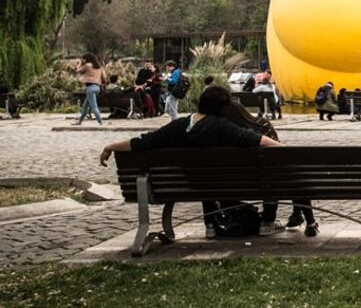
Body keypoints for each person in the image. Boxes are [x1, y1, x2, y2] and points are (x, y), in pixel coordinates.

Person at [98, 85, 284, 239]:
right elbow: (256, 140)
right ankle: (267, 221)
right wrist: (283, 148)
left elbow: (143, 142)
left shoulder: (179, 126)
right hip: (230, 185)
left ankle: (210, 224)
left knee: (205, 175)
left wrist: (112, 146)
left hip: (194, 185)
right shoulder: (222, 126)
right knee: (218, 175)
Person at [218, 99, 319, 236]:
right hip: (269, 182)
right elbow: (281, 157)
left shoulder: (221, 134)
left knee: (275, 175)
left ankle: (291, 215)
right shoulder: (262, 125)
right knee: (288, 174)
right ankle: (299, 221)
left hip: (232, 184)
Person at [74, 54, 105, 126]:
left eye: (83, 59)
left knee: (94, 107)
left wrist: (79, 65)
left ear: (87, 59)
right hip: (97, 87)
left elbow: (78, 71)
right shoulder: (99, 66)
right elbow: (103, 77)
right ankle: (79, 121)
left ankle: (100, 122)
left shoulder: (88, 65)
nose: (83, 60)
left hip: (90, 87)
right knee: (85, 107)